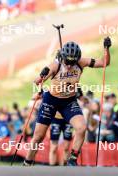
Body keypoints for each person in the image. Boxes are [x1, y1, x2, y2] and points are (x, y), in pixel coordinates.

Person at [24, 37, 112, 166]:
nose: (70, 65)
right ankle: (27, 161)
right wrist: (41, 81)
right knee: (38, 137)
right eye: (67, 62)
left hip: (68, 101)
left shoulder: (81, 62)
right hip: (51, 101)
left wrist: (106, 49)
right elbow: (36, 82)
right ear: (62, 57)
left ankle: (72, 159)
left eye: (73, 62)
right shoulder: (55, 65)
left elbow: (104, 62)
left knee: (82, 128)